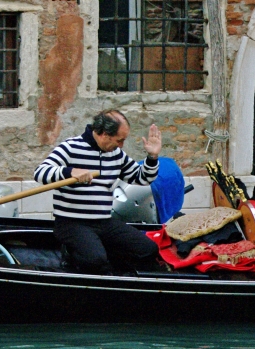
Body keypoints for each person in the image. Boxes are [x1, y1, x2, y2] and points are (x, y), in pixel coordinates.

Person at [35, 110, 161, 274]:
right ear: (104, 134)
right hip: (71, 223)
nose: (121, 145)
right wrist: (70, 172)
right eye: (119, 140)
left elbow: (142, 178)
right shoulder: (71, 147)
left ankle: (110, 266)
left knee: (148, 249)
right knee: (95, 260)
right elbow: (40, 173)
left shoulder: (116, 154)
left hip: (103, 222)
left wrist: (152, 157)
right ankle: (73, 256)